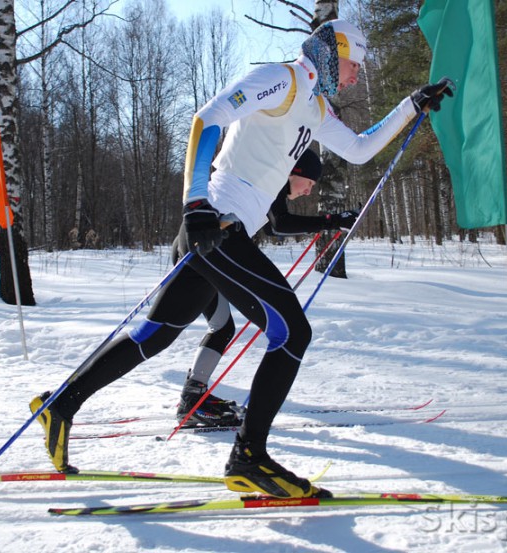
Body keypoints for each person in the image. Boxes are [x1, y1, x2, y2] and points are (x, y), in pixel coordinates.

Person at [31, 19, 452, 499]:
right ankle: (249, 456)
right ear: (332, 55)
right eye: (354, 64)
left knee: (155, 334)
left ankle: (60, 406)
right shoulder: (284, 78)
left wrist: (411, 106)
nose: (356, 75)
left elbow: (359, 150)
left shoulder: (314, 106)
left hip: (222, 233)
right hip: (218, 225)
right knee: (292, 332)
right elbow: (206, 119)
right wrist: (195, 206)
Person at [174, 148, 359, 428]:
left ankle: (193, 396)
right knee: (208, 328)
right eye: (309, 183)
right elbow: (279, 224)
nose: (308, 191)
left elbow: (275, 225)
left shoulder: (271, 183)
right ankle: (192, 400)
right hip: (203, 252)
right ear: (295, 172)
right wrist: (332, 221)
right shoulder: (270, 182)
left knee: (220, 328)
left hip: (199, 250)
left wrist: (330, 223)